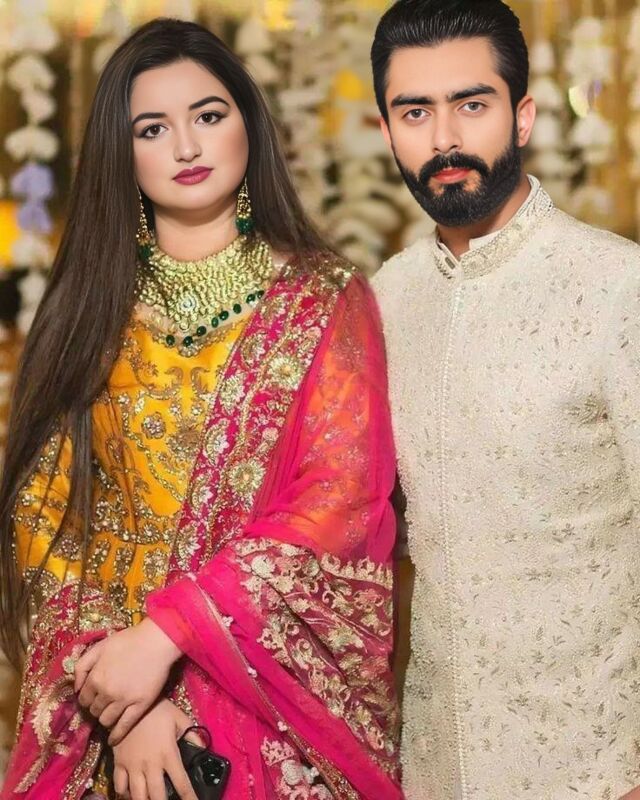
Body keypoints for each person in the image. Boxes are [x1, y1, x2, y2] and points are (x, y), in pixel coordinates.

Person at [0, 18, 402, 800]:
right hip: (110, 706)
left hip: (268, 718)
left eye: (208, 116)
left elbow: (338, 504)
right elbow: (45, 521)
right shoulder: (90, 311)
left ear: (248, 123)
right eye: (152, 128)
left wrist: (167, 637)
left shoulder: (324, 300)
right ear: (122, 154)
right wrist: (125, 698)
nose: (186, 146)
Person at [370, 1, 640, 798]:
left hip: (599, 768)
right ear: (386, 131)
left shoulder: (616, 287)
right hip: (435, 766)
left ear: (522, 117)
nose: (444, 139)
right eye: (415, 112)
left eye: (471, 104)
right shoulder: (385, 300)